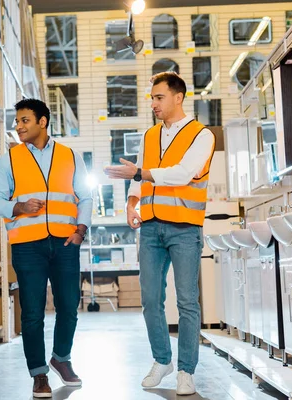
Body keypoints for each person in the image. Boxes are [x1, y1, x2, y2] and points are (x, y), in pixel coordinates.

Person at [104, 72, 215, 396]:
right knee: (151, 300)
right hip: (151, 226)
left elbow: (184, 173)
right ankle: (162, 360)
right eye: (151, 98)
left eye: (159, 97)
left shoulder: (201, 135)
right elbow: (141, 176)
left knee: (187, 302)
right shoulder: (150, 136)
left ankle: (186, 371)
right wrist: (131, 202)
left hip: (184, 228)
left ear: (178, 97)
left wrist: (139, 172)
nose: (153, 103)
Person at [0, 98, 92, 398]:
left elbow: (84, 196)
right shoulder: (9, 159)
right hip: (27, 247)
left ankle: (61, 358)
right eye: (17, 122)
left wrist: (81, 230)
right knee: (32, 313)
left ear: (42, 122)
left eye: (24, 120)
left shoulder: (70, 155)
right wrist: (18, 206)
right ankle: (38, 374)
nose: (18, 126)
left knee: (69, 307)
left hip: (65, 243)